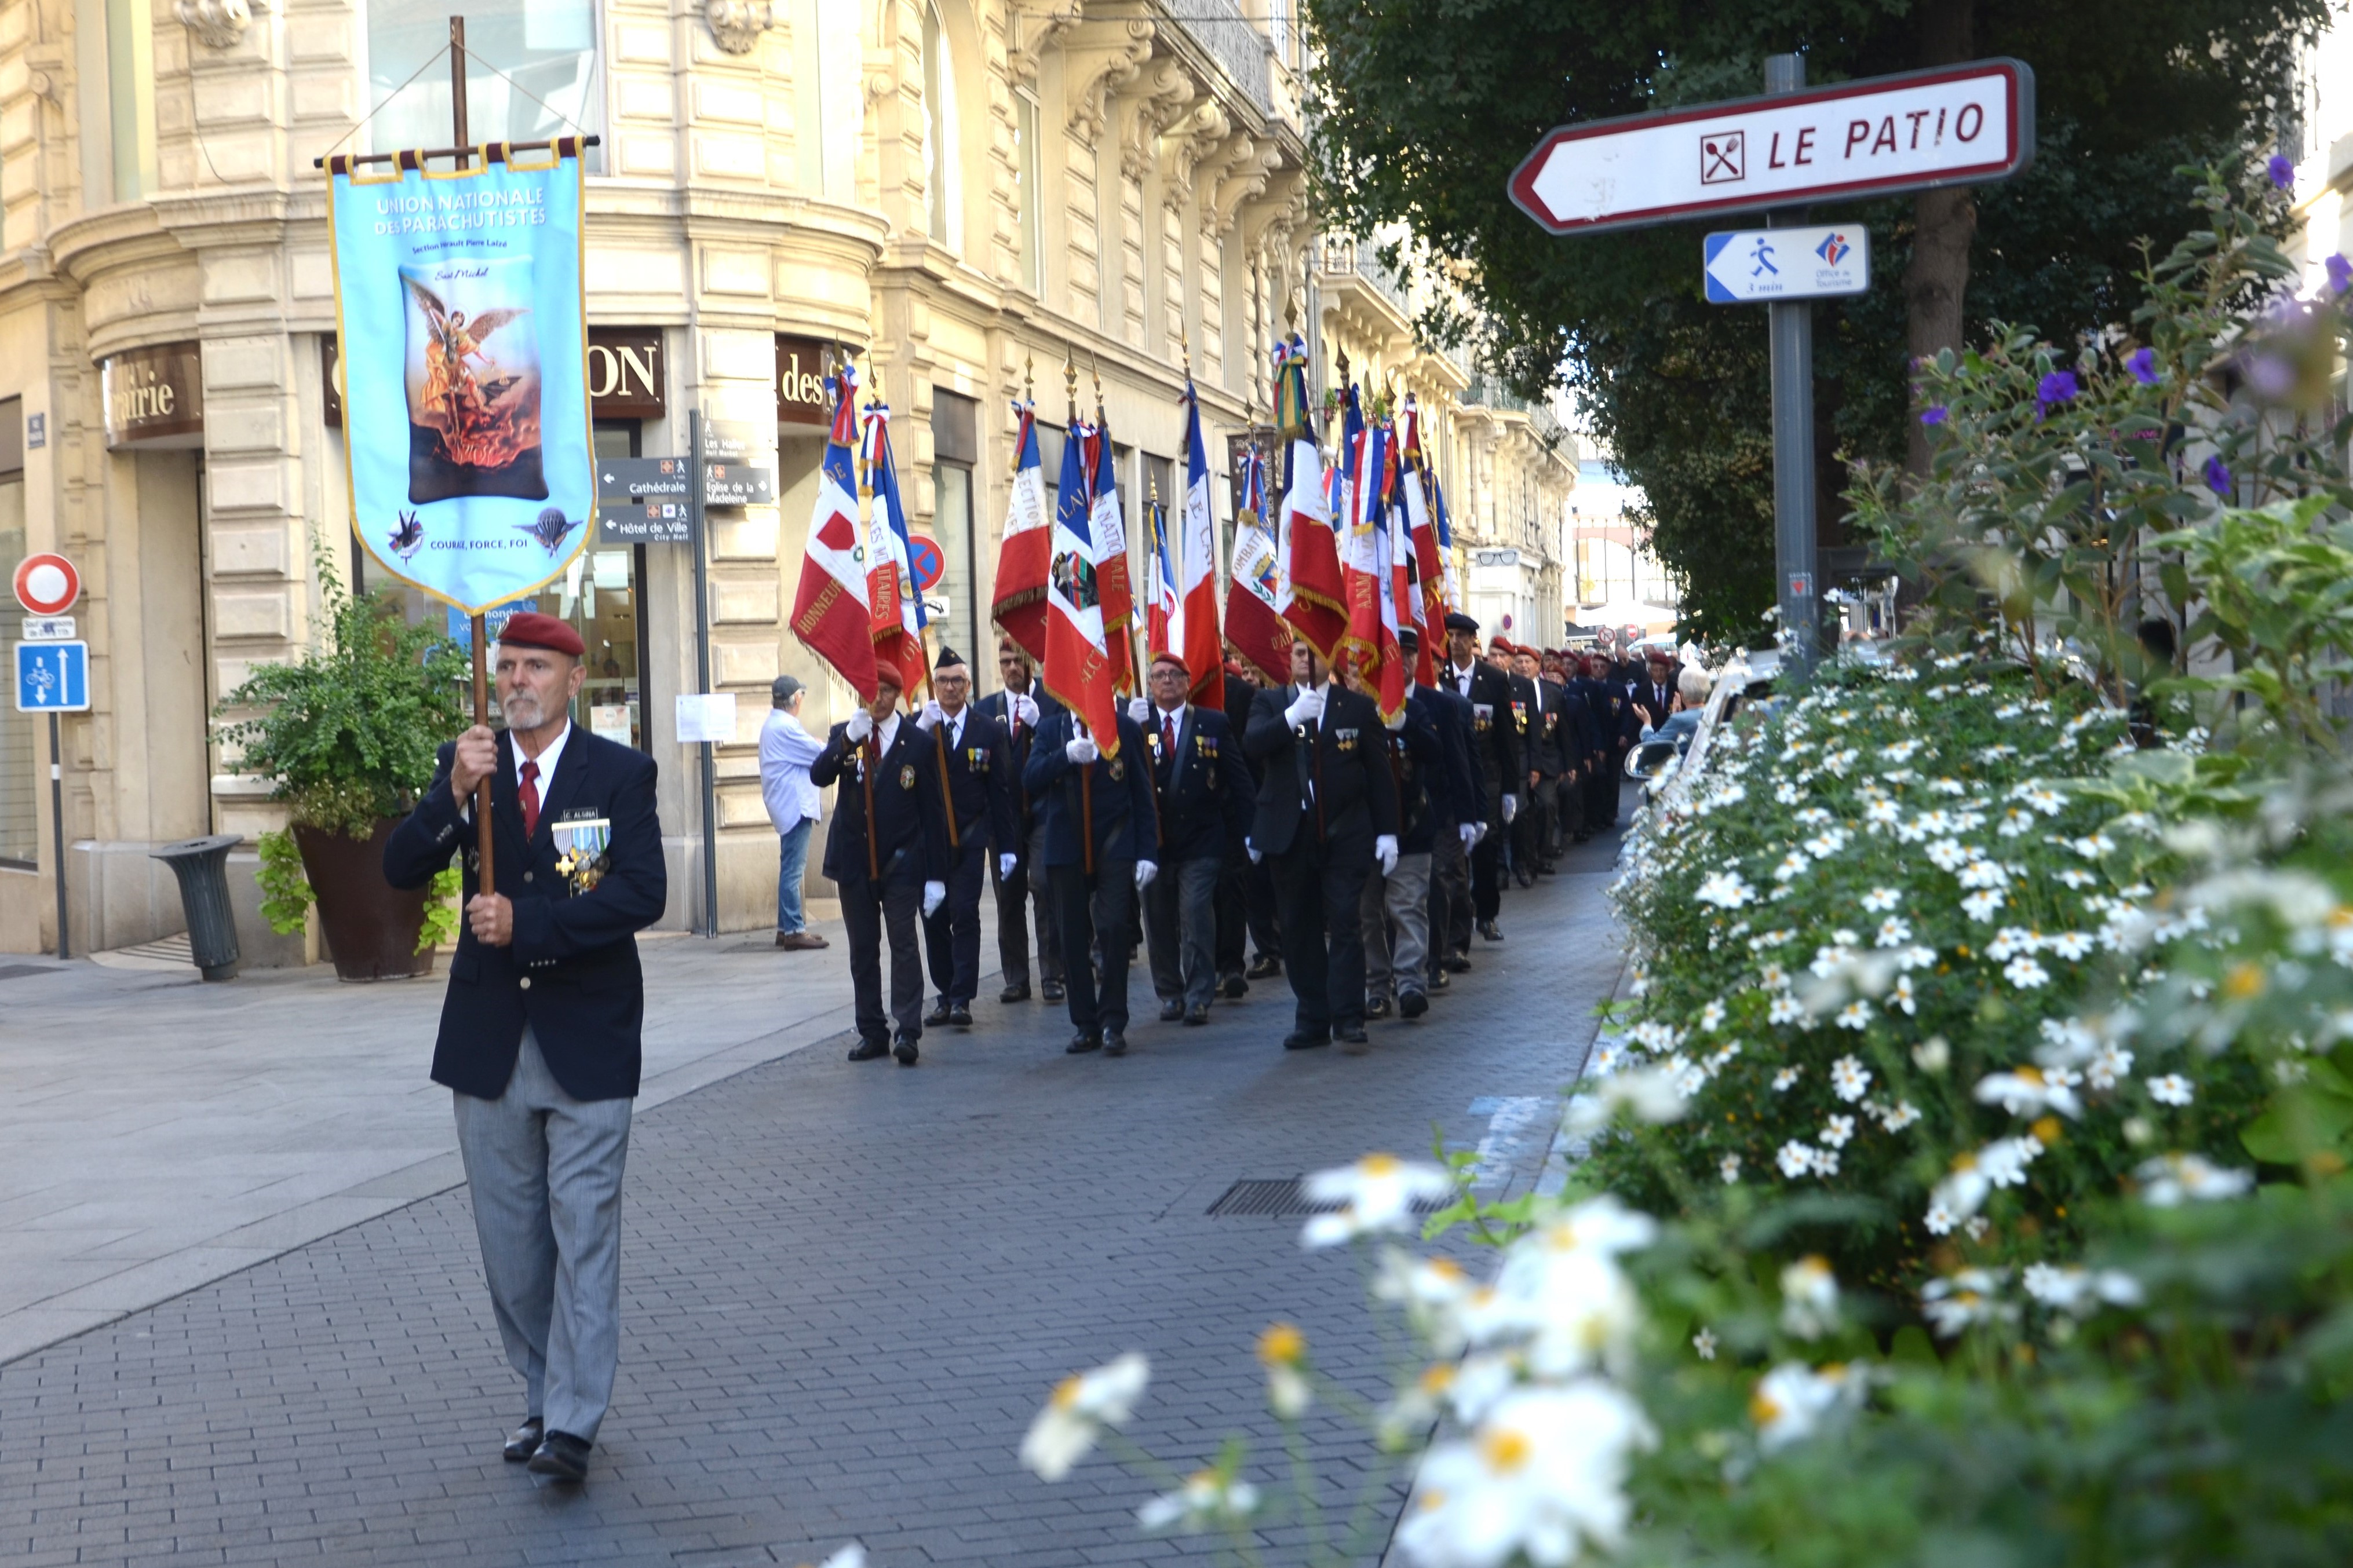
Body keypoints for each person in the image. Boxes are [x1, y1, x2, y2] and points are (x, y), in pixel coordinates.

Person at [382, 611, 667, 1486]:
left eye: (535, 666)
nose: (515, 681)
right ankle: (543, 1397)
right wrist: (452, 799)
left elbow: (641, 893)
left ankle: (575, 1421)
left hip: (587, 1037)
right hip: (490, 1043)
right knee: (512, 1248)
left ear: (574, 679)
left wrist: (528, 923)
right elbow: (398, 867)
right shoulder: (470, 765)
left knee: (584, 1234)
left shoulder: (617, 772)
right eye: (506, 666)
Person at [1246, 639, 1399, 1054]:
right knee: (1298, 927)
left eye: (1312, 649)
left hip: (1345, 832)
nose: (1304, 657)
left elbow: (1377, 772)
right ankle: (1313, 1016)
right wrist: (1291, 717)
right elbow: (1253, 743)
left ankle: (1349, 1017)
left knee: (1346, 920)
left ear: (1329, 656)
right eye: (1297, 651)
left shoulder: (1356, 707)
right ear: (1288, 659)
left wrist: (1388, 832)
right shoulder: (1269, 701)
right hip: (1289, 833)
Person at [811, 667, 949, 1066]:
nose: (879, 699)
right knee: (862, 949)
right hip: (854, 860)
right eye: (872, 691)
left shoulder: (918, 743)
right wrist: (846, 740)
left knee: (903, 944)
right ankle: (872, 1029)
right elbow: (819, 775)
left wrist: (936, 876)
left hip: (902, 862)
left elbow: (933, 812)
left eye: (887, 691)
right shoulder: (847, 732)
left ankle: (907, 1028)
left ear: (898, 695)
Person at [1023, 701, 1157, 1057]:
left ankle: (1113, 1020)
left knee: (1114, 928)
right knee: (1071, 936)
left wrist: (1147, 851)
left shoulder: (1123, 728)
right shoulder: (1051, 731)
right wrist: (1064, 756)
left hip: (1113, 840)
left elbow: (1141, 791)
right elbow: (1030, 777)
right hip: (1066, 843)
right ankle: (1085, 1023)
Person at [1133, 650, 1254, 1025]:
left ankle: (1198, 994)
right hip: (1152, 843)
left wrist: (1252, 833)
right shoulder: (1137, 724)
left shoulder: (1212, 723)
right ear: (1149, 684)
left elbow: (1238, 780)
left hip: (1201, 840)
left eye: (1174, 674)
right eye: (1159, 675)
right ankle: (1170, 992)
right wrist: (1124, 726)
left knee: (1195, 914)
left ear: (1188, 684)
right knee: (1157, 919)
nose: (1167, 680)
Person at [916, 647, 1017, 1030]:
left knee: (964, 912)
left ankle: (962, 997)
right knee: (934, 918)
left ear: (969, 685)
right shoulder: (921, 728)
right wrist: (921, 731)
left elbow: (1000, 792)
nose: (949, 688)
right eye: (942, 680)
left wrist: (1006, 846)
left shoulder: (988, 729)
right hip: (930, 842)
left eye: (957, 680)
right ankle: (943, 992)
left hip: (972, 838)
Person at [1358, 630, 1455, 1022]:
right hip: (1364, 829)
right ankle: (1377, 988)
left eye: (1407, 656)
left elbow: (1435, 752)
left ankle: (1410, 983)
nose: (1399, 665)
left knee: (1409, 908)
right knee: (1368, 916)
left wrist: (1405, 727)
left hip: (1411, 824)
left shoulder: (1416, 711)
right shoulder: (1357, 709)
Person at [976, 638, 1063, 1004]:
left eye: (1019, 660)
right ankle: (1016, 977)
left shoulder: (1054, 702)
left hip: (1044, 812)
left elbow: (1070, 746)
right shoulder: (985, 709)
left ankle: (1053, 974)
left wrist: (1040, 722)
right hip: (1004, 820)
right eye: (1006, 660)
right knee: (1008, 897)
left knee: (1044, 888)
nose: (1012, 667)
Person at [1441, 613, 1519, 945]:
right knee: (1453, 854)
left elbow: (1507, 736)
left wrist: (1509, 790)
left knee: (1486, 850)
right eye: (1451, 635)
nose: (1455, 641)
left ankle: (1486, 915)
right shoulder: (1439, 676)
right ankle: (1453, 919)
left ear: (1474, 640)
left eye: (1462, 636)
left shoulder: (1493, 678)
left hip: (1486, 776)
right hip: (1450, 775)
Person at [1215, 659, 1279, 993]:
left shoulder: (1241, 694)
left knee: (1247, 883)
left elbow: (1253, 749)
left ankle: (1261, 951)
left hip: (1247, 798)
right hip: (1201, 810)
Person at [758, 674, 828, 951]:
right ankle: (795, 930)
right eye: (801, 696)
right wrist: (822, 743)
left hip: (788, 804)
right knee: (793, 871)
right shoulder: (785, 727)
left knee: (789, 868)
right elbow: (818, 752)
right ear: (795, 699)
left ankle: (784, 927)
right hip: (794, 806)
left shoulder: (776, 725)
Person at [1630, 651, 1680, 731]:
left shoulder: (1676, 689)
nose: (1659, 674)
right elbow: (1634, 720)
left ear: (1667, 670)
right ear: (1650, 672)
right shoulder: (1639, 692)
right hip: (1648, 738)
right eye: (1655, 670)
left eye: (1662, 670)